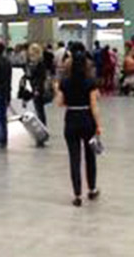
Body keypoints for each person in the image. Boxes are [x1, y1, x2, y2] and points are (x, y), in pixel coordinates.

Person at [56, 43, 103, 207]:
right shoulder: (90, 82)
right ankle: (92, 189)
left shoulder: (64, 82)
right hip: (87, 119)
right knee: (90, 157)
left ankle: (77, 194)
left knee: (74, 158)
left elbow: (59, 103)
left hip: (71, 119)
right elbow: (94, 106)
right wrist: (99, 125)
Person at [27, 43, 52, 130]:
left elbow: (41, 78)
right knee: (38, 109)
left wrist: (37, 89)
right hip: (34, 87)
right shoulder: (33, 63)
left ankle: (42, 127)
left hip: (38, 89)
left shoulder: (40, 64)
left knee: (39, 110)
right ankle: (41, 126)